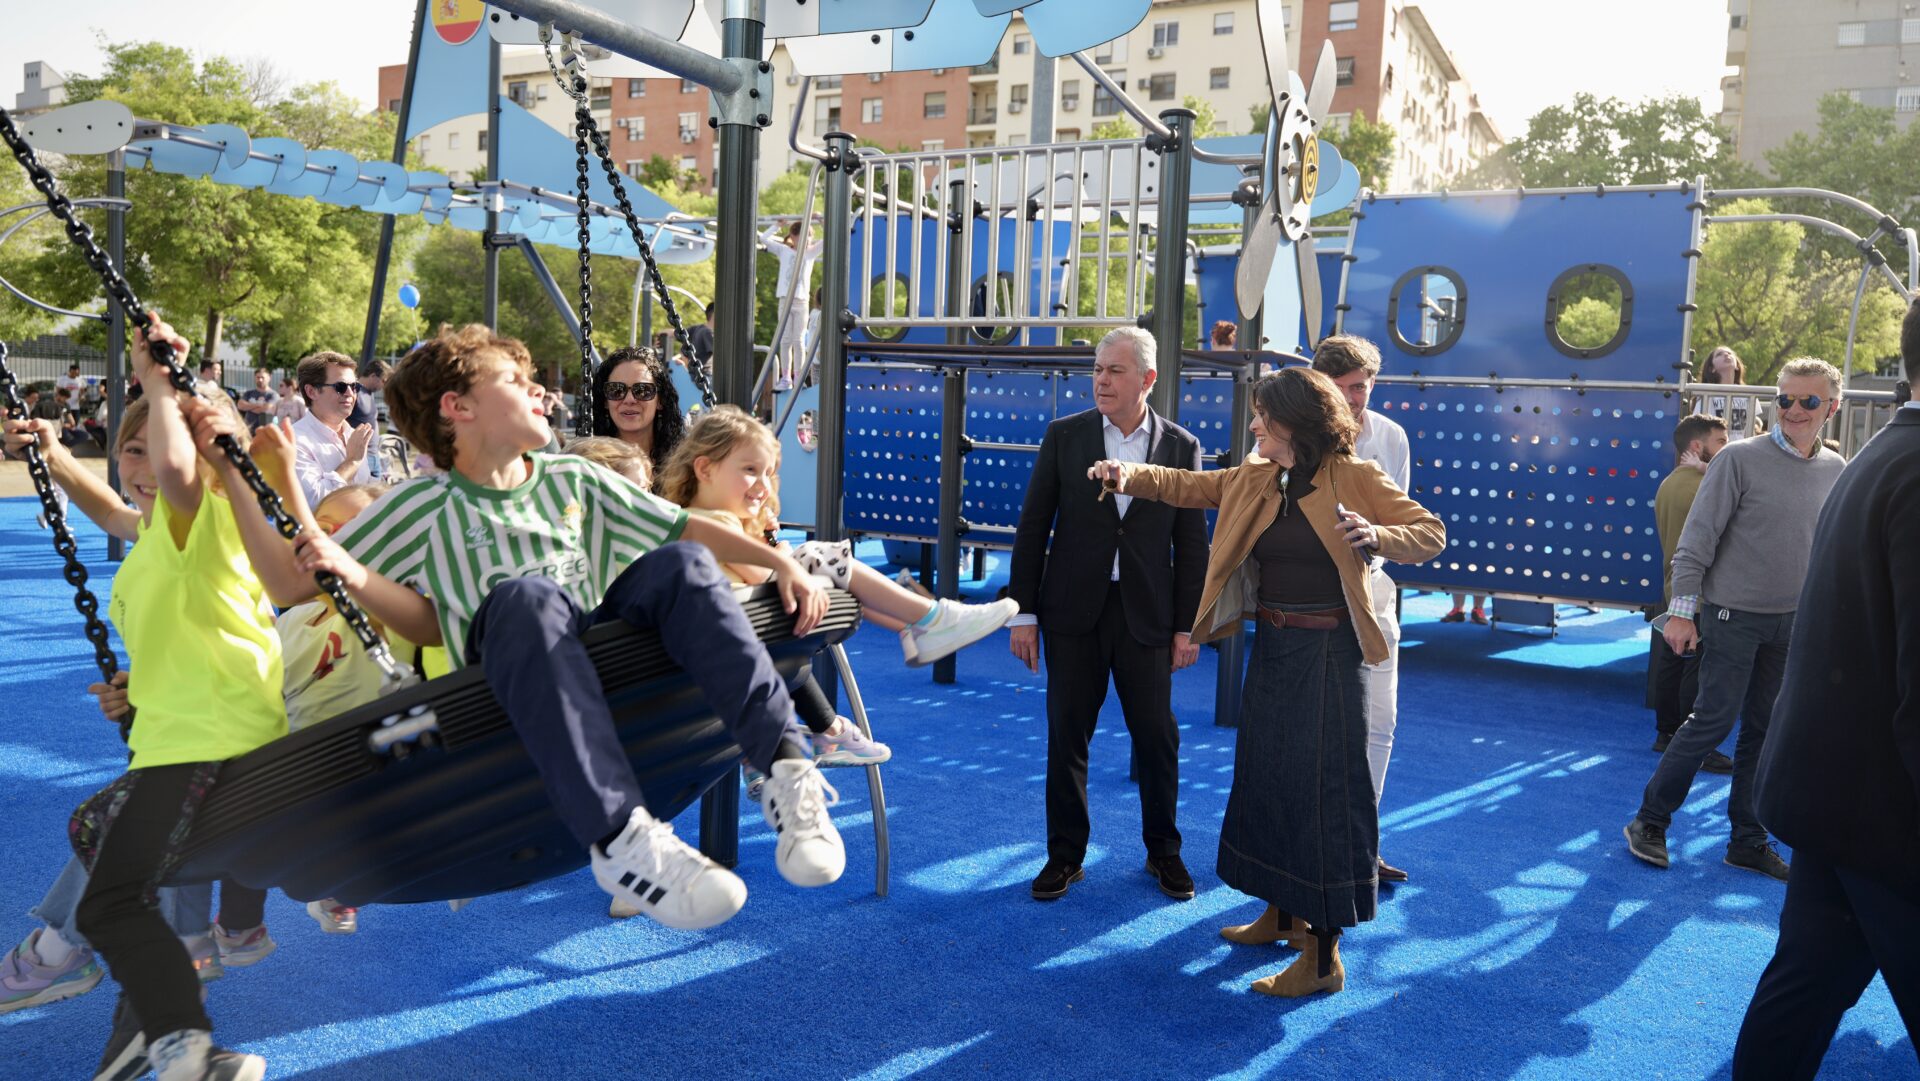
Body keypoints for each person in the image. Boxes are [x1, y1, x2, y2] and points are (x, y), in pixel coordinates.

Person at [253, 323, 850, 933]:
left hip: (594, 656)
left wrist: (780, 562)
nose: (540, 390)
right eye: (516, 381)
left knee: (683, 563)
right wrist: (248, 479)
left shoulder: (574, 478)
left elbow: (689, 528)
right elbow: (290, 586)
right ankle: (624, 840)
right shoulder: (421, 507)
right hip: (504, 689)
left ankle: (786, 769)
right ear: (457, 410)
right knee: (527, 597)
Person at [1089, 366, 1445, 997]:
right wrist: (1126, 474)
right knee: (1269, 778)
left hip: (1332, 653)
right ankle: (1282, 916)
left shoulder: (1355, 474)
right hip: (1276, 647)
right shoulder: (1258, 474)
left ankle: (1324, 958)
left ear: (1294, 424)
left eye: (1262, 417)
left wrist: (1377, 535)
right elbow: (1188, 485)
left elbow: (1429, 532)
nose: (1253, 426)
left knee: (1324, 796)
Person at [9, 317, 279, 1080]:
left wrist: (158, 383)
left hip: (211, 740)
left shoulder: (209, 515)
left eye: (154, 449)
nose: (144, 467)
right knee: (111, 848)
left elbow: (175, 470)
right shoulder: (159, 532)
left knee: (114, 885)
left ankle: (166, 1020)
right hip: (182, 733)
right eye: (127, 449)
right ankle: (168, 1037)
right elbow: (115, 512)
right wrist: (57, 457)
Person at [1730, 300, 1920, 1077]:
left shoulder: (1880, 455)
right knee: (1804, 985)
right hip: (1887, 814)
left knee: (1805, 985)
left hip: (1835, 796)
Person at [1625, 358, 1848, 881]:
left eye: (1808, 401)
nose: (1793, 410)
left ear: (1831, 408)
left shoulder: (1837, 470)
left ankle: (1747, 839)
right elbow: (1694, 542)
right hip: (1731, 617)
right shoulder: (1739, 460)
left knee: (1766, 731)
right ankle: (1649, 821)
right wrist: (1682, 614)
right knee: (1713, 721)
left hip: (1791, 623)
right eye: (1786, 399)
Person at [1009, 327, 1209, 905]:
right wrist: (1022, 614)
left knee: (1156, 737)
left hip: (1146, 616)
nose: (1101, 379)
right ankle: (1065, 857)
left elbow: (1191, 545)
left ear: (1146, 379)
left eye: (1114, 371)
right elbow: (1032, 529)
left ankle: (1163, 853)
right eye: (1097, 369)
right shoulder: (1064, 436)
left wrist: (1186, 625)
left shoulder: (1180, 446)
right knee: (1067, 736)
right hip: (1072, 612)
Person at [1312, 334, 1414, 882]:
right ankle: (1309, 847)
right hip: (1312, 601)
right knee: (1319, 730)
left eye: (1365, 388)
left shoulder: (1391, 436)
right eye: (1348, 388)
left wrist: (1374, 535)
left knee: (1382, 721)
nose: (1358, 399)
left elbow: (1403, 521)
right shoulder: (1294, 432)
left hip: (1374, 595)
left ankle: (1359, 842)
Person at [1646, 414, 1731, 773]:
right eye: (1721, 442)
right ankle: (1692, 743)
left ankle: (1667, 734)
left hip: (1674, 586)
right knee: (1697, 669)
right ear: (1697, 447)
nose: (1727, 450)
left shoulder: (1669, 483)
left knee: (1671, 662)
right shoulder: (1702, 486)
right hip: (1700, 590)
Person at [590, 345, 686, 485]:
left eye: (642, 391)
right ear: (605, 400)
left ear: (660, 400)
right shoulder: (590, 462)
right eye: (616, 390)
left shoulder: (685, 462)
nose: (629, 400)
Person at [290, 350, 374, 509]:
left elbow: (366, 487)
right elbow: (314, 503)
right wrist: (351, 462)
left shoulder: (353, 434)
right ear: (311, 391)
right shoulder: (296, 442)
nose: (350, 393)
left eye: (354, 386)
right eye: (341, 387)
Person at [760, 220, 820, 392]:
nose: (807, 242)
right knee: (785, 339)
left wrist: (820, 219)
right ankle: (786, 377)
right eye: (804, 238)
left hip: (801, 301)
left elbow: (830, 237)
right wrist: (777, 225)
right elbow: (764, 238)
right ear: (793, 237)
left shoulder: (810, 253)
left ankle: (798, 375)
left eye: (809, 238)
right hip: (785, 300)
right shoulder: (784, 251)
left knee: (799, 340)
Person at [1695, 346, 1760, 439]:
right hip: (1717, 451)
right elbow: (1698, 427)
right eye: (1719, 354)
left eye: (1730, 353)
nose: (1726, 355)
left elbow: (1752, 427)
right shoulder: (1707, 394)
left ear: (1737, 366)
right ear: (1712, 368)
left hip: (1743, 449)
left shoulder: (1748, 393)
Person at [348, 359, 392, 480]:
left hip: (373, 455)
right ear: (373, 376)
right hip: (362, 456)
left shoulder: (368, 393)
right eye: (384, 381)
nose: (384, 386)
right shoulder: (353, 392)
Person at [237, 368, 278, 433]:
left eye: (262, 377)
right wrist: (259, 405)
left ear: (269, 378)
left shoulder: (273, 395)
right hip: (248, 430)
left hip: (265, 431)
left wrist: (248, 407)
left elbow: (267, 409)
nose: (260, 380)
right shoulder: (249, 393)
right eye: (258, 377)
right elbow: (240, 405)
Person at [688, 302, 715, 370]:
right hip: (705, 373)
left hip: (694, 371)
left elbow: (676, 333)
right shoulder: (708, 332)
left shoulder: (697, 328)